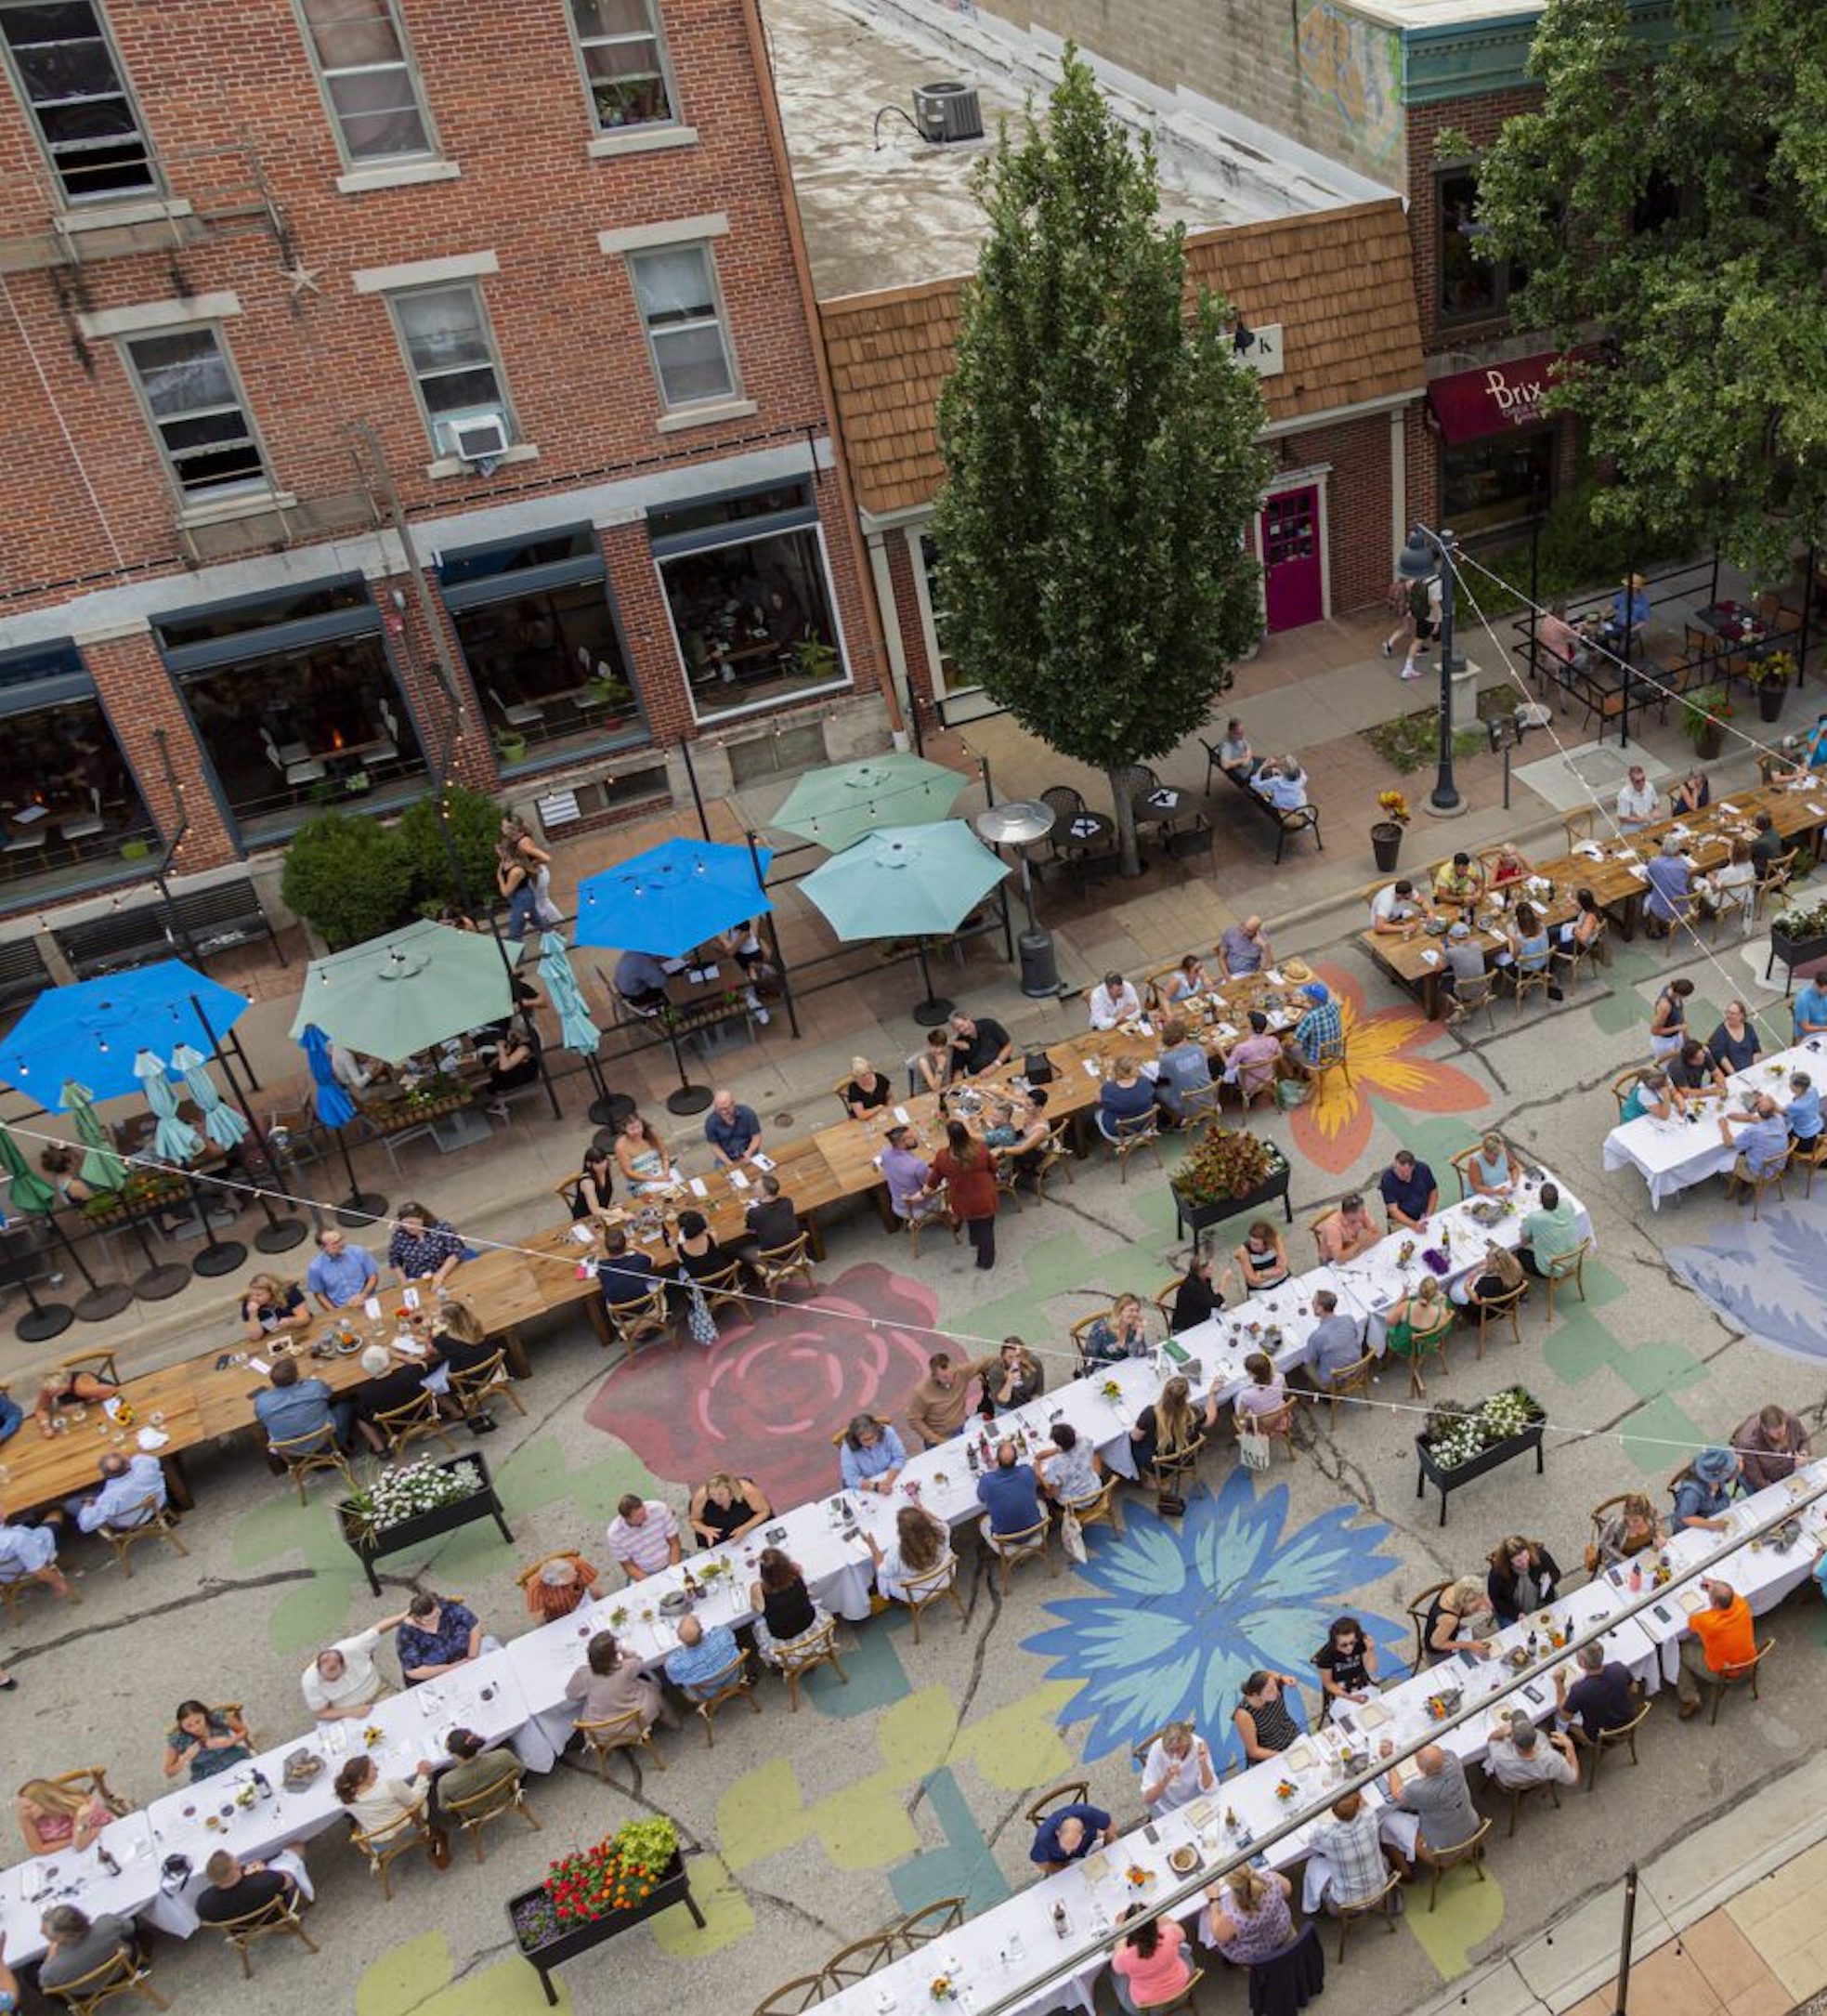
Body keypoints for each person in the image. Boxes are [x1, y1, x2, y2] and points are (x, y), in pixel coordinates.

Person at [333, 1755, 445, 1863]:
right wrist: (422, 1776)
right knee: (426, 1792)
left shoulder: (346, 1798)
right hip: (406, 1831)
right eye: (373, 1769)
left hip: (378, 1841)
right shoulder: (390, 1785)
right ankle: (432, 1832)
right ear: (361, 1778)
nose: (378, 1768)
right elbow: (415, 1801)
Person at [1306, 1791, 1403, 1914]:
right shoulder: (1370, 1817)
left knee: (1313, 1863)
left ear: (1333, 1812)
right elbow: (1365, 1806)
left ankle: (1312, 1906)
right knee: (1381, 1858)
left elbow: (1312, 1842)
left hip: (1346, 1904)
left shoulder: (1326, 1834)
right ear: (1358, 1805)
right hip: (1380, 1890)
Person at [1382, 1742, 1480, 1862]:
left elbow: (1396, 1793)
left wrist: (1389, 1761)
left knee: (1386, 1819)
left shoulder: (1419, 1790)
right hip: (1471, 1825)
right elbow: (1440, 1754)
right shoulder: (1453, 1761)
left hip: (1441, 1845)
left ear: (1424, 1769)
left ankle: (1404, 1870)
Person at [1675, 1577, 1755, 1720]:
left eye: (1710, 1596)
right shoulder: (1742, 1603)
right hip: (1749, 1662)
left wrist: (1712, 1590)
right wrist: (1714, 1585)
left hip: (1725, 1672)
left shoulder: (1707, 1621)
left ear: (1715, 1603)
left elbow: (1691, 1623)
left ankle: (1690, 1698)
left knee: (1680, 1650)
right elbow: (1728, 1593)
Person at [302, 1613, 409, 1719]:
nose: (328, 1681)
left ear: (345, 1667)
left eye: (334, 1679)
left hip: (379, 1692)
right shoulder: (310, 1680)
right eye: (326, 1677)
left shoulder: (353, 1647)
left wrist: (405, 1614)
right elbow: (321, 1713)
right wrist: (350, 1712)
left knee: (405, 1714)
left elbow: (378, 1629)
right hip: (345, 1711)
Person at [567, 1630, 676, 1732]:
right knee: (654, 1692)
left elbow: (571, 1694)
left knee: (590, 1705)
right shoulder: (627, 1666)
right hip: (636, 1719)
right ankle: (675, 1724)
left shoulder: (583, 1673)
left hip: (603, 1728)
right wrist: (625, 1653)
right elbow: (639, 1661)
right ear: (613, 1654)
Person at [925, 1121, 998, 1270]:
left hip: (962, 1199)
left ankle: (976, 1241)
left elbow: (933, 1182)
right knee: (986, 1228)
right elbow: (994, 1167)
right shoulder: (981, 1149)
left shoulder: (942, 1157)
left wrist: (921, 1194)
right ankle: (985, 1261)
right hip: (985, 1196)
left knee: (972, 1221)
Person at [1130, 1374, 1218, 1484]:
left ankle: (1138, 1478)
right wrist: (1212, 1395)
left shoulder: (1150, 1413)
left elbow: (1135, 1438)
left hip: (1161, 1466)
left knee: (1131, 1444)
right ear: (1187, 1396)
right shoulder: (1193, 1412)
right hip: (1187, 1458)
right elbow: (1209, 1420)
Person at [748, 1548, 828, 1667]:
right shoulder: (796, 1571)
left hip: (784, 1641)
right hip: (811, 1626)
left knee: (755, 1625)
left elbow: (755, 1609)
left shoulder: (757, 1589)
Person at [36, 1906, 139, 1995]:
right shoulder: (107, 1923)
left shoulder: (51, 1969)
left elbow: (45, 1985)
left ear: (64, 1937)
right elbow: (131, 1927)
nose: (41, 1932)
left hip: (88, 1992)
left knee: (29, 1973)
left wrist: (49, 1958)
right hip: (124, 1968)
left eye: (49, 1936)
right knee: (125, 1928)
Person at [1111, 1907, 1195, 2015]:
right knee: (1181, 1948)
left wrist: (1120, 1929)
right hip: (1182, 1988)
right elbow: (1182, 1934)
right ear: (1154, 1923)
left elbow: (1117, 1967)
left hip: (1148, 2005)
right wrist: (1156, 1912)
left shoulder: (1125, 1956)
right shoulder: (1169, 1933)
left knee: (1113, 1970)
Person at [1204, 1865, 1296, 1964]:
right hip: (1280, 1930)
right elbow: (1288, 1890)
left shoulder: (1232, 1917)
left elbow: (1220, 1937)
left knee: (1205, 1918)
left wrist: (1214, 1900)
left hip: (1256, 1952)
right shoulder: (1272, 1880)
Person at [865, 1505, 951, 1606]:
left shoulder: (897, 1552)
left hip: (918, 1593)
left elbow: (882, 1571)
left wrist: (873, 1548)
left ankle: (892, 1600)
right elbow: (938, 1522)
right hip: (944, 1578)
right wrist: (921, 1508)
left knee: (885, 1576)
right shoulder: (942, 1531)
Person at [193, 1850, 304, 1929]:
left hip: (242, 1929)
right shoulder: (263, 1881)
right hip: (276, 1915)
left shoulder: (203, 1904)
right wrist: (264, 1870)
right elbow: (289, 1881)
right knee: (294, 1850)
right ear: (237, 1867)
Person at [1556, 1643, 1640, 1744]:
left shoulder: (1579, 1690)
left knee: (1559, 1717)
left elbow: (1565, 1716)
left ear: (1582, 1663)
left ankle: (1562, 1744)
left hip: (1601, 1735)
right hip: (1627, 1720)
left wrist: (1559, 1683)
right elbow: (1634, 1689)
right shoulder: (1619, 1668)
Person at [397, 1591, 488, 1684]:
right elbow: (412, 1671)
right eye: (428, 1620)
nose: (435, 1620)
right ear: (416, 1618)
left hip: (466, 1661)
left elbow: (473, 1625)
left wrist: (472, 1657)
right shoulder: (406, 1633)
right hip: (434, 1678)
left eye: (437, 1614)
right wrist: (453, 1668)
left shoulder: (447, 1607)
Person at [72, 1451, 167, 1535]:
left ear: (103, 1474)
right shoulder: (144, 1466)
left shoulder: (108, 1498)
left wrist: (88, 1505)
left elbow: (85, 1526)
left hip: (129, 1524)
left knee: (70, 1503)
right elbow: (149, 1460)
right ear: (128, 1464)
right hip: (159, 1504)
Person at [1385, 1276, 1452, 1394]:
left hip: (1406, 1344)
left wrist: (1401, 1298)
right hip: (1428, 1343)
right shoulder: (1440, 1312)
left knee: (1392, 1328)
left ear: (1419, 1291)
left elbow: (1389, 1320)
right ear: (1435, 1295)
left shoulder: (1408, 1306)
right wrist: (1441, 1305)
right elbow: (1444, 1322)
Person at [1484, 1710, 1579, 1792]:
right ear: (1535, 1734)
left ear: (1512, 1740)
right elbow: (1574, 1780)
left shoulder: (1500, 1755)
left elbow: (1491, 1739)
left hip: (1511, 1781)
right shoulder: (1552, 1759)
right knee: (1547, 1722)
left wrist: (1503, 1732)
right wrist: (1570, 1746)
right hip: (1539, 1777)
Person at [161, 1700, 251, 1784]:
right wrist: (185, 1758)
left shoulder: (218, 1718)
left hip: (235, 1759)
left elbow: (244, 1731)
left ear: (204, 1715)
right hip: (206, 1775)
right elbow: (169, 1773)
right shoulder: (179, 1739)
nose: (196, 1728)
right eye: (189, 1726)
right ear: (181, 1725)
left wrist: (229, 1742)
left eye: (198, 1721)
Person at [17, 1779, 114, 1855]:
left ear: (44, 1801)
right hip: (69, 1852)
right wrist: (73, 1840)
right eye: (22, 1808)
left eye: (29, 1807)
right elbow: (38, 1849)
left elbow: (80, 1846)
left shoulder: (77, 1806)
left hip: (104, 1840)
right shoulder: (27, 1815)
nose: (25, 1812)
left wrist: (78, 1836)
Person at [1139, 1722, 1216, 1816]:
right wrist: (1165, 1780)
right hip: (1168, 1810)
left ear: (1187, 1745)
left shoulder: (1198, 1745)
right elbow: (1147, 1799)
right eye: (1171, 1750)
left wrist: (1203, 1764)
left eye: (1179, 1749)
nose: (1175, 1754)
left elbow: (1210, 1789)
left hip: (1197, 1804)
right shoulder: (1157, 1750)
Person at [1730, 1404, 1811, 1491]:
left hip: (1791, 1469)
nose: (1783, 1435)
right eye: (1778, 1433)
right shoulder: (1748, 1444)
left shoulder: (1791, 1420)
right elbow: (1757, 1480)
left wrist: (1803, 1453)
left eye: (1784, 1429)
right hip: (1767, 1480)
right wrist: (1780, 1491)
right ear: (1765, 1429)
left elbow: (1804, 1440)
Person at [976, 1441, 1043, 1547]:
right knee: (1039, 1499)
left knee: (980, 1518)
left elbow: (981, 1498)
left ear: (997, 1460)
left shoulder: (987, 1480)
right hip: (1035, 1528)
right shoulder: (1027, 1471)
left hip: (1005, 1539)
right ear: (1017, 1459)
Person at [664, 1614, 743, 1700]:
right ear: (702, 1630)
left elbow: (674, 1680)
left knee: (682, 1685)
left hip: (706, 1693)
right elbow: (729, 1635)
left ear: (679, 1638)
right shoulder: (722, 1635)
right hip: (733, 1678)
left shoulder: (675, 1664)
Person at [1486, 1536, 1561, 1625]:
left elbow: (1556, 1573)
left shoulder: (1540, 1555)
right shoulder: (1498, 1572)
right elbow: (1496, 1599)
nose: (1524, 1562)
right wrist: (1516, 1614)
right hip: (1511, 1610)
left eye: (1526, 1556)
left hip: (1542, 1600)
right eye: (1518, 1561)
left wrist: (1549, 1579)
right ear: (1509, 1561)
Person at [388, 1202, 465, 1289]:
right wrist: (405, 1283)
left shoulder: (441, 1227)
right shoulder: (399, 1235)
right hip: (418, 1278)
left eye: (411, 1222)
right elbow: (394, 1261)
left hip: (446, 1271)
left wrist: (441, 1274)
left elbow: (456, 1252)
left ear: (422, 1218)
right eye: (404, 1223)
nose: (409, 1227)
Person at [0, 1509, 72, 1601]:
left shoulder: (13, 1537)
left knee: (27, 1525)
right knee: (56, 1512)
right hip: (27, 1569)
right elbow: (38, 1570)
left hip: (6, 1577)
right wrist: (58, 1582)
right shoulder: (15, 1538)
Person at [881, 1124, 944, 1229]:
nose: (916, 1138)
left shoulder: (884, 1154)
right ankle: (953, 1217)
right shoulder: (917, 1165)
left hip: (897, 1204)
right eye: (912, 1137)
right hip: (918, 1208)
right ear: (902, 1142)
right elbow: (931, 1185)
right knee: (951, 1180)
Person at [607, 1494, 682, 1579]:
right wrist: (649, 1582)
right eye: (638, 1516)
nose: (645, 1516)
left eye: (644, 1511)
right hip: (644, 1572)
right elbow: (627, 1565)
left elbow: (675, 1543)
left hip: (672, 1560)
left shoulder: (660, 1509)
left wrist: (673, 1571)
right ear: (626, 1519)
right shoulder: (615, 1534)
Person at [1153, 1017, 1214, 1122]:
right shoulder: (1199, 1049)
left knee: (1156, 1089)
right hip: (1209, 1098)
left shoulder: (1167, 1060)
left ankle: (1171, 1122)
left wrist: (1159, 1055)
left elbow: (1163, 1083)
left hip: (1187, 1107)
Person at [305, 1226, 379, 1311]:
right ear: (323, 1248)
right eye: (335, 1243)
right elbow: (319, 1294)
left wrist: (363, 1295)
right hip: (343, 1309)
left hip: (368, 1300)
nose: (341, 1244)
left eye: (341, 1239)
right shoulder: (315, 1268)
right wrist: (335, 1312)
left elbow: (373, 1276)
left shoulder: (358, 1252)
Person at [1423, 1576, 1496, 1661]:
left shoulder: (1454, 1590)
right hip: (1438, 1651)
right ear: (1463, 1601)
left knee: (1481, 1643)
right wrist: (1470, 1645)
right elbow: (1436, 1644)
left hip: (1444, 1631)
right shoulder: (1450, 1620)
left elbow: (1463, 1612)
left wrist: (1482, 1604)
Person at [1233, 1670, 1303, 1760]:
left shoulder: (1273, 1686)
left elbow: (1269, 1674)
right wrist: (1284, 1755)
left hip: (1293, 1735)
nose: (1276, 1691)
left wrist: (1283, 1677)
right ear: (1257, 1695)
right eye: (1270, 1690)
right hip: (1271, 1752)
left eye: (1274, 1685)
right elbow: (1254, 1751)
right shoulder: (1244, 1715)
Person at [1029, 1800, 1116, 1872]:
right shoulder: (1044, 1837)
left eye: (1072, 1848)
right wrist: (1064, 1871)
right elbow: (1041, 1864)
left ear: (1083, 1833)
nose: (1068, 1852)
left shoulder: (1088, 1813)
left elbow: (1111, 1826)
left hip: (1092, 1845)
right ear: (1058, 1833)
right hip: (1064, 1863)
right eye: (1065, 1848)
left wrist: (1106, 1847)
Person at [1720, 1093, 1792, 1178]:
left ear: (1758, 1111)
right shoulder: (1779, 1119)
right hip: (1777, 1166)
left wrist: (1724, 1126)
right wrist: (1739, 1116)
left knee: (1725, 1157)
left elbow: (1728, 1144)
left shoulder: (1755, 1131)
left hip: (1759, 1172)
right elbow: (1754, 1119)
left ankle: (1732, 1178)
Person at [689, 1472, 771, 1546]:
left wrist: (745, 1528)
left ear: (731, 1491)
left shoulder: (747, 1490)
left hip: (748, 1527)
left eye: (720, 1494)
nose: (716, 1498)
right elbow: (694, 1520)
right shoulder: (702, 1496)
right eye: (712, 1494)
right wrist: (705, 1530)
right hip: (719, 1535)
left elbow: (764, 1511)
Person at [1518, 1181, 1581, 1277]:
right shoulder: (1567, 1203)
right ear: (1558, 1198)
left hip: (1553, 1269)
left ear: (1541, 1201)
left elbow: (1523, 1242)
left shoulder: (1534, 1218)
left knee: (1520, 1254)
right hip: (1574, 1258)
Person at [1313, 1616, 1379, 1708]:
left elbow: (1372, 1670)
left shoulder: (1360, 1644)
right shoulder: (1326, 1656)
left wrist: (1370, 1650)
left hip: (1362, 1683)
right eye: (1344, 1645)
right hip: (1340, 1690)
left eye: (1352, 1642)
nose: (1349, 1648)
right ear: (1334, 1643)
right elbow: (1328, 1683)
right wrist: (1350, 1697)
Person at [1303, 1292, 1365, 1387]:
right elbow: (1356, 1336)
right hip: (1357, 1366)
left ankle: (1319, 1392)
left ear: (1320, 1309)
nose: (1311, 1304)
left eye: (1313, 1303)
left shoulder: (1316, 1336)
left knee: (1306, 1367)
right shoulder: (1348, 1319)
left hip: (1335, 1380)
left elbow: (1309, 1359)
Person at [1035, 1420, 1103, 1505]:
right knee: (1096, 1454)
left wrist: (1039, 1474)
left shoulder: (1056, 1465)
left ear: (1057, 1443)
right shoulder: (1086, 1441)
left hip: (1076, 1503)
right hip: (1095, 1489)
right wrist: (1056, 1450)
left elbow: (1054, 1494)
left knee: (1046, 1493)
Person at [32, 1366, 119, 1432]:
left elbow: (113, 1390)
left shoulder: (82, 1388)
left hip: (101, 1408)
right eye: (50, 1393)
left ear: (66, 1384)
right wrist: (46, 1427)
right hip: (78, 1417)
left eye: (56, 1392)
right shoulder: (50, 1387)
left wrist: (80, 1405)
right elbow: (40, 1409)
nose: (52, 1395)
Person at [1671, 1447, 1739, 1532]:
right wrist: (1713, 1525)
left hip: (1713, 1510)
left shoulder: (1716, 1471)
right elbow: (1686, 1517)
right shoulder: (1692, 1492)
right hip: (1696, 1525)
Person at [1225, 1009, 1285, 1103]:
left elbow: (1228, 1065)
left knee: (1220, 1067)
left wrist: (1219, 1051)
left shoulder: (1242, 1048)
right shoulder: (1273, 1040)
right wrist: (1267, 1060)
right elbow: (1280, 1054)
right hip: (1268, 1076)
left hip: (1248, 1083)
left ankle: (1230, 1098)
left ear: (1250, 1026)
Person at [596, 1229, 661, 1315]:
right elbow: (653, 1260)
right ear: (625, 1245)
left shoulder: (603, 1267)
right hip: (648, 1307)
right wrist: (634, 1247)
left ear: (607, 1249)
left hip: (623, 1314)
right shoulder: (638, 1260)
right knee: (654, 1280)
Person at [840, 1414, 907, 1494]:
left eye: (874, 1436)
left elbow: (899, 1457)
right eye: (866, 1440)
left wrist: (889, 1481)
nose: (872, 1441)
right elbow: (851, 1478)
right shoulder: (847, 1449)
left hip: (891, 1474)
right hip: (868, 1485)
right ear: (856, 1440)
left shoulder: (888, 1432)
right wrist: (875, 1486)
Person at [522, 1554, 600, 1623]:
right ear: (555, 1585)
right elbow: (539, 1619)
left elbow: (596, 1591)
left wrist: (601, 1606)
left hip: (582, 1602)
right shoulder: (535, 1588)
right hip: (558, 1617)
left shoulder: (578, 1565)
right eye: (570, 1580)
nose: (576, 1573)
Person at [1593, 1492, 1664, 1567]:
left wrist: (1659, 1534)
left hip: (1644, 1550)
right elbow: (1603, 1544)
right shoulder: (1617, 1523)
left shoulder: (1651, 1513)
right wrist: (1624, 1559)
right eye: (1628, 1518)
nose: (1631, 1524)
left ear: (1645, 1515)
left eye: (1636, 1521)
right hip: (1621, 1556)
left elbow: (1657, 1519)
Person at [1095, 1055, 1157, 1140]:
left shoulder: (1108, 1089)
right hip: (1146, 1124)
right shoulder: (1145, 1082)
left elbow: (1098, 1100)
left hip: (1118, 1132)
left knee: (1097, 1113)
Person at [614, 1110, 676, 1194]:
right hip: (642, 1180)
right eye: (632, 1129)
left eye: (638, 1127)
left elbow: (664, 1154)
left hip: (662, 1170)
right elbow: (628, 1172)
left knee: (678, 1187)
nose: (637, 1131)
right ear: (625, 1129)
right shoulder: (621, 1145)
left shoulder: (652, 1133)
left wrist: (665, 1172)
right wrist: (655, 1179)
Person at [1081, 1292, 1152, 1365]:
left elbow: (1139, 1354)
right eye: (1131, 1310)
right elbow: (1090, 1357)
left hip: (1127, 1368)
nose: (1135, 1314)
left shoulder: (1134, 1327)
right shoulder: (1101, 1328)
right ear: (1120, 1310)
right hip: (1105, 1370)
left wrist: (1139, 1335)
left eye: (1137, 1311)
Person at [1644, 835, 1694, 936]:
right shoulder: (1682, 863)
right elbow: (1687, 882)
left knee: (1648, 898)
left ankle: (1654, 930)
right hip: (1682, 904)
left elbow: (1649, 881)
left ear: (1662, 849)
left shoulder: (1655, 863)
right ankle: (1666, 926)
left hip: (1665, 906)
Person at [1290, 980, 1343, 1076]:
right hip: (1335, 1049)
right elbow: (1318, 1009)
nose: (1306, 997)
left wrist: (1286, 1044)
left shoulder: (1310, 1017)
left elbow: (1296, 1039)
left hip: (1317, 1057)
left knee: (1288, 1048)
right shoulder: (1333, 1005)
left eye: (1308, 996)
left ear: (1313, 1000)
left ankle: (1304, 1072)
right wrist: (1302, 1005)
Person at [1461, 1240, 1525, 1316]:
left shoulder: (1487, 1283)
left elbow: (1476, 1300)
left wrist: (1467, 1284)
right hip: (1507, 1305)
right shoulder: (1517, 1268)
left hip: (1487, 1313)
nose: (1486, 1262)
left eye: (1488, 1262)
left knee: (1454, 1290)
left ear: (1495, 1267)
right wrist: (1483, 1269)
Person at [1398, 571, 1442, 682]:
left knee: (1417, 641)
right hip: (1432, 618)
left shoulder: (1420, 578)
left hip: (1422, 616)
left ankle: (1407, 668)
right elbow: (1435, 605)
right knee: (1444, 640)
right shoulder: (1437, 583)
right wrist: (1437, 623)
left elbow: (1408, 586)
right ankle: (1448, 662)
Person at [1233, 1353, 1289, 1437]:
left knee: (1236, 1398)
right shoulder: (1280, 1377)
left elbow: (1241, 1416)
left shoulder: (1246, 1394)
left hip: (1262, 1423)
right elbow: (1285, 1392)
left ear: (1252, 1374)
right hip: (1279, 1412)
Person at [1379, 1148, 1438, 1230]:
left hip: (1423, 1215)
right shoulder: (1388, 1180)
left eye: (1404, 1172)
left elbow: (1433, 1191)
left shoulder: (1423, 1169)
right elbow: (1393, 1210)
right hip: (1401, 1221)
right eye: (1397, 1170)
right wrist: (1414, 1225)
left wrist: (1428, 1216)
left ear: (1412, 1167)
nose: (1399, 1175)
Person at [982, 1338, 1044, 1413]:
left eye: (1018, 1356)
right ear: (1003, 1356)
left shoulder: (1034, 1363)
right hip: (1007, 1407)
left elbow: (1039, 1388)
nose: (1015, 1361)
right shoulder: (996, 1371)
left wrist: (1033, 1405)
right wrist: (1009, 1382)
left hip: (1028, 1402)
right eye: (1010, 1357)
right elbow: (1001, 1402)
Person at [241, 1273, 309, 1342]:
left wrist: (291, 1321)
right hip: (273, 1339)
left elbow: (305, 1318)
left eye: (258, 1295)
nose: (254, 1298)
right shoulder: (248, 1303)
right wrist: (253, 1315)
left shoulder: (290, 1292)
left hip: (299, 1331)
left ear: (272, 1292)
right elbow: (255, 1337)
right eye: (251, 1294)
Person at [1314, 1192, 1378, 1264]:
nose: (1364, 1213)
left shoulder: (1360, 1214)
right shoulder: (1332, 1227)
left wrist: (1368, 1237)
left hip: (1353, 1251)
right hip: (1331, 1261)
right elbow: (1339, 1259)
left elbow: (1377, 1233)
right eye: (1361, 1212)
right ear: (1351, 1214)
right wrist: (1360, 1243)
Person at [703, 1088, 763, 1167]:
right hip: (726, 1157)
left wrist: (749, 1152)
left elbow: (756, 1136)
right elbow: (714, 1146)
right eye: (719, 1109)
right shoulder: (711, 1122)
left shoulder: (747, 1113)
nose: (723, 1112)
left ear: (733, 1104)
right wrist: (729, 1163)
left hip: (748, 1152)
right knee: (722, 1177)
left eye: (726, 1108)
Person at [744, 1172, 801, 1251]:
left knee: (744, 1250)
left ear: (763, 1192)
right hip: (796, 1249)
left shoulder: (754, 1213)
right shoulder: (787, 1202)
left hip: (774, 1257)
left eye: (755, 1189)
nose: (753, 1191)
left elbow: (750, 1230)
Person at [947, 1011, 1012, 1079]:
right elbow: (958, 1070)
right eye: (958, 1029)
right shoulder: (959, 1042)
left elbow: (1008, 1046)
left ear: (968, 1019)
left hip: (1002, 1067)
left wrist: (995, 1065)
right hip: (980, 1077)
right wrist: (957, 1086)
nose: (961, 1030)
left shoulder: (989, 1024)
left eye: (962, 1026)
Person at [1706, 1000, 1763, 1076]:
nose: (1728, 1016)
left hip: (1750, 1070)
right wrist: (1736, 1075)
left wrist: (1753, 1069)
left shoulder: (1748, 1028)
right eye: (1727, 1012)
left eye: (1732, 1014)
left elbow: (1756, 1051)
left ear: (1741, 1015)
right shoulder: (1720, 1033)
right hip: (1732, 1075)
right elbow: (1722, 1059)